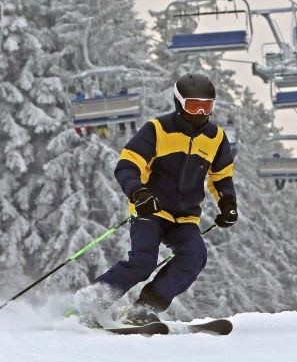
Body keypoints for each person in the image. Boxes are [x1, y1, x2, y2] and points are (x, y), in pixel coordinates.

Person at [75, 73, 237, 325]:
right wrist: (138, 192)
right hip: (151, 209)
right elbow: (127, 165)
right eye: (194, 105)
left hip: (184, 216)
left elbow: (221, 178)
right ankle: (93, 301)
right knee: (143, 262)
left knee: (194, 256)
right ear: (179, 103)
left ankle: (144, 309)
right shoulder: (158, 129)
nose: (201, 113)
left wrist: (227, 204)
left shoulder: (216, 138)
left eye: (208, 106)